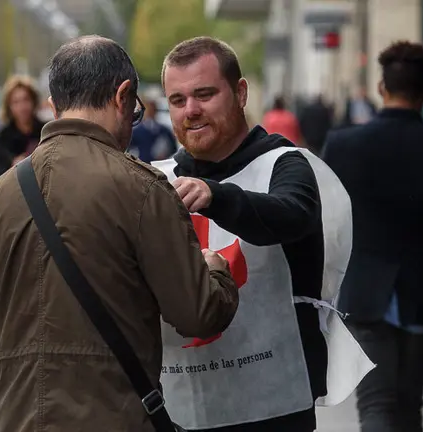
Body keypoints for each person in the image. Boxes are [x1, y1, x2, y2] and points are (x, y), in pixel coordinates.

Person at [0, 35, 240, 432]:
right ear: (123, 96)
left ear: (54, 105)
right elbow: (198, 314)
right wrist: (215, 272)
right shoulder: (141, 188)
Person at [152, 36, 353, 432]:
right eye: (178, 100)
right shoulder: (158, 178)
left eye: (205, 94)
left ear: (240, 93)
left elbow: (291, 215)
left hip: (277, 404)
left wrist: (216, 196)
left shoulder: (285, 164)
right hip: (185, 402)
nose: (191, 110)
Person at [322, 41, 423, 432]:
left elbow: (328, 221)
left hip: (364, 292)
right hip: (421, 293)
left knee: (376, 406)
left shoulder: (341, 145)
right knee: (410, 408)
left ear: (380, 87)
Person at [0, 75, 46, 182]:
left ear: (33, 101)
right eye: (16, 102)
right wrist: (12, 168)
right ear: (9, 106)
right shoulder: (0, 141)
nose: (22, 107)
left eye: (26, 99)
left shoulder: (47, 132)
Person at [129, 96, 178, 163]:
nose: (150, 112)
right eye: (147, 110)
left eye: (152, 109)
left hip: (160, 165)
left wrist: (165, 155)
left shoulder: (163, 130)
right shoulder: (136, 131)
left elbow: (173, 147)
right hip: (143, 164)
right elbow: (129, 148)